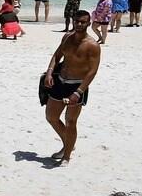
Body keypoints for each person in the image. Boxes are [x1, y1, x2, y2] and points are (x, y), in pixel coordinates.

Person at [42, 10, 101, 163]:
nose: (79, 24)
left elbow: (92, 71)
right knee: (51, 117)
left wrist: (79, 92)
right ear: (73, 21)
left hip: (77, 86)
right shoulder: (67, 37)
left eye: (83, 22)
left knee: (71, 121)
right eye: (77, 21)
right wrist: (49, 73)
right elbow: (57, 55)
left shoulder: (92, 45)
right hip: (60, 81)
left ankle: (67, 156)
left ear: (89, 23)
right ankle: (68, 143)